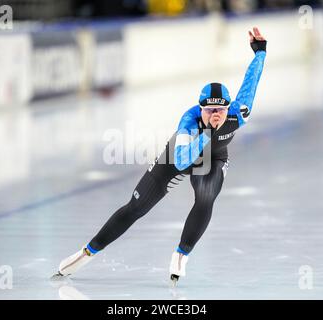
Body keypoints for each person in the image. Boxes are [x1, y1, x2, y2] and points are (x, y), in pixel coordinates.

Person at [52, 27, 267, 285]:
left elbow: (249, 86)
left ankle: (182, 253)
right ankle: (87, 252)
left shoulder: (237, 114)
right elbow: (182, 161)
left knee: (206, 197)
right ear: (200, 110)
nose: (216, 114)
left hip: (214, 159)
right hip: (180, 156)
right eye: (209, 110)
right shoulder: (189, 123)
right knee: (135, 208)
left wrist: (260, 53)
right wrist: (208, 133)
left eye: (220, 109)